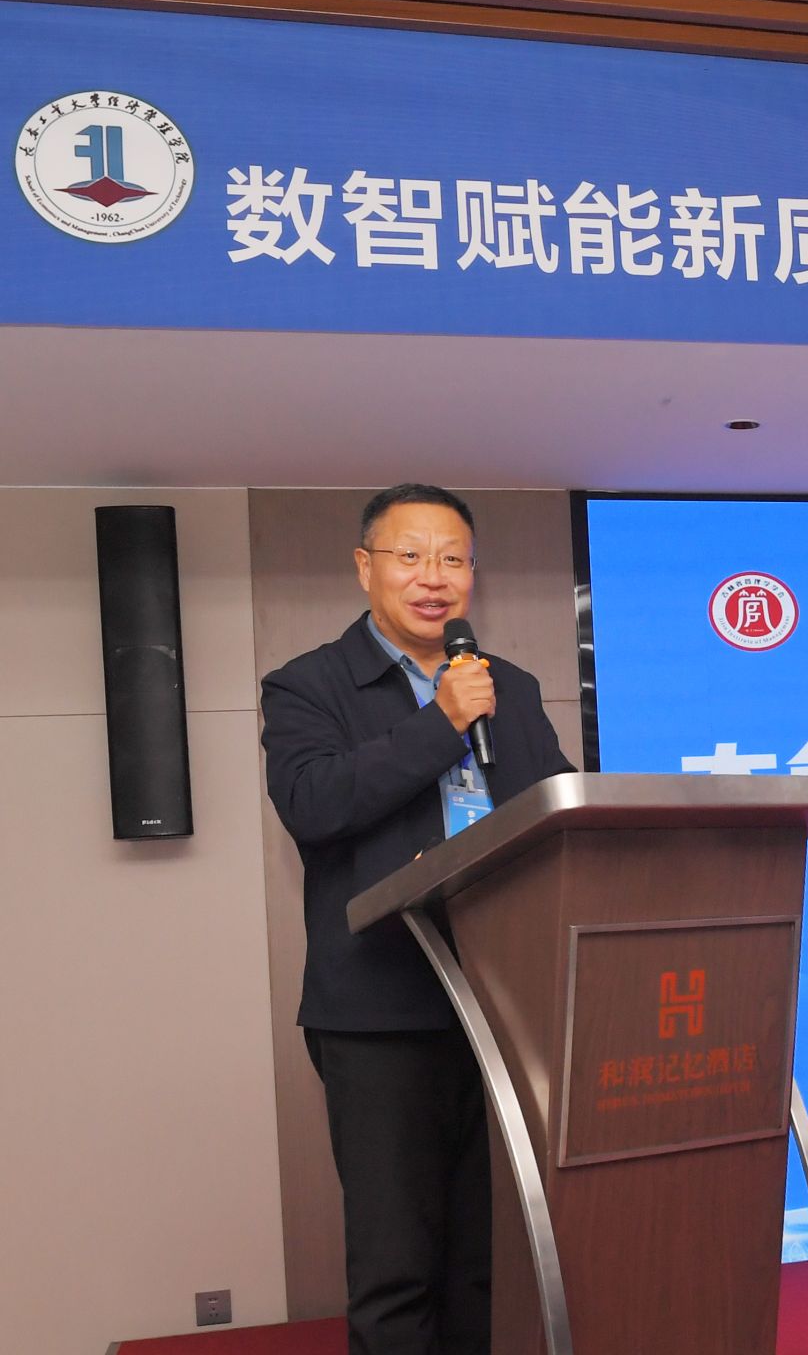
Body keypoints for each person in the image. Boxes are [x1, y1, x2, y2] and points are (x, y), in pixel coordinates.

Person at [260, 484, 574, 1355]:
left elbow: (555, 810)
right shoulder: (308, 686)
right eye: (410, 557)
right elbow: (315, 803)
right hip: (379, 1012)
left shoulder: (509, 685)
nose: (433, 578)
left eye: (453, 559)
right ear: (365, 568)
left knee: (483, 1259)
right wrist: (443, 721)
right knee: (397, 1263)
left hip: (502, 1006)